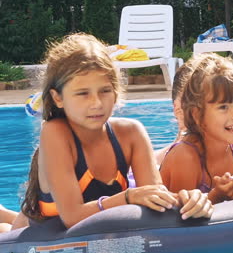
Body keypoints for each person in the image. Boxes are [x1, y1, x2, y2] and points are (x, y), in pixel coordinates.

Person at [17, 33, 212, 230]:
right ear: (57, 98)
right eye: (83, 93)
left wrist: (190, 199)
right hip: (33, 239)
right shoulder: (55, 133)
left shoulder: (131, 133)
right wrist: (129, 196)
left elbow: (158, 199)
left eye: (105, 91)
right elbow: (72, 217)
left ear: (116, 91)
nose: (97, 103)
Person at [159, 54, 233, 204]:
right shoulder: (185, 156)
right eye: (223, 107)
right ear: (197, 114)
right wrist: (216, 196)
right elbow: (177, 220)